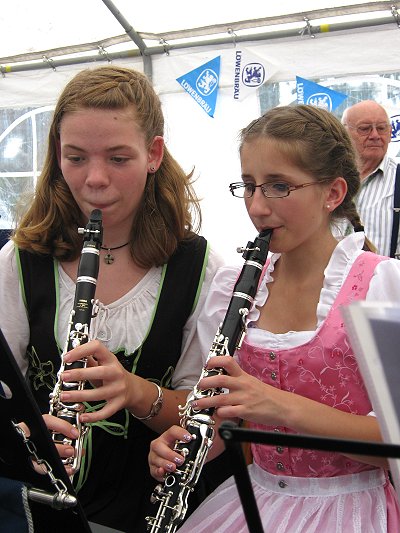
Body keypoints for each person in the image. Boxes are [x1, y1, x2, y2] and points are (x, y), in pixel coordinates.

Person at [148, 104, 400, 532]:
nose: (258, 207)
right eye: (249, 186)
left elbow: (392, 445)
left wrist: (280, 406)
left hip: (354, 508)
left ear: (333, 194)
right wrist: (190, 443)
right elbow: (226, 412)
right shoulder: (233, 287)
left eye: (279, 186)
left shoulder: (382, 285)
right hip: (257, 499)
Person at [0, 65, 228, 533]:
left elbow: (209, 417)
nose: (95, 180)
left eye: (118, 158)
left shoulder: (202, 268)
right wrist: (22, 436)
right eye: (76, 157)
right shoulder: (19, 260)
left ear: (153, 153)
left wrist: (135, 392)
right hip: (41, 511)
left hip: (150, 514)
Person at [341, 100, 399, 257]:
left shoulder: (397, 178)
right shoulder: (326, 180)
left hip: (386, 279)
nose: (375, 135)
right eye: (365, 129)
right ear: (344, 133)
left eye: (381, 128)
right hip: (331, 279)